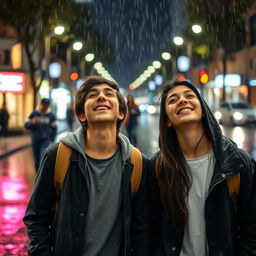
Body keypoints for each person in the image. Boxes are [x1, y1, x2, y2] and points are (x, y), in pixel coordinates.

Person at [23, 76, 149, 256]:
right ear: (82, 114)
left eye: (108, 94)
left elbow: (142, 229)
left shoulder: (138, 163)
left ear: (121, 113)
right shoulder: (56, 156)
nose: (101, 97)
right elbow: (36, 218)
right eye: (93, 95)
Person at [148, 80, 256, 255]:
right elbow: (152, 228)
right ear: (167, 120)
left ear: (204, 111)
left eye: (190, 96)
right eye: (173, 100)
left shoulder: (238, 162)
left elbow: (251, 229)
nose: (182, 101)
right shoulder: (158, 168)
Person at [24, 98, 57, 171]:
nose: (44, 107)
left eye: (46, 106)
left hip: (46, 140)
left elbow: (54, 129)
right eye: (43, 105)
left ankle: (42, 175)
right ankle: (37, 175)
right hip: (35, 140)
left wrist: (52, 139)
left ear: (48, 106)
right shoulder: (34, 114)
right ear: (40, 105)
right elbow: (26, 125)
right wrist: (31, 123)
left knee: (43, 156)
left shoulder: (51, 116)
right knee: (36, 160)